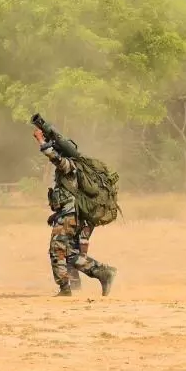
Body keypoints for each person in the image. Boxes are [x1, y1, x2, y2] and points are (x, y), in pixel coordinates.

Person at [35, 125, 116, 296]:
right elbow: (68, 197)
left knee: (56, 249)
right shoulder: (69, 171)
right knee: (69, 254)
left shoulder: (70, 166)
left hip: (69, 217)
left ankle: (66, 288)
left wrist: (41, 141)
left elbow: (55, 158)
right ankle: (102, 272)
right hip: (67, 215)